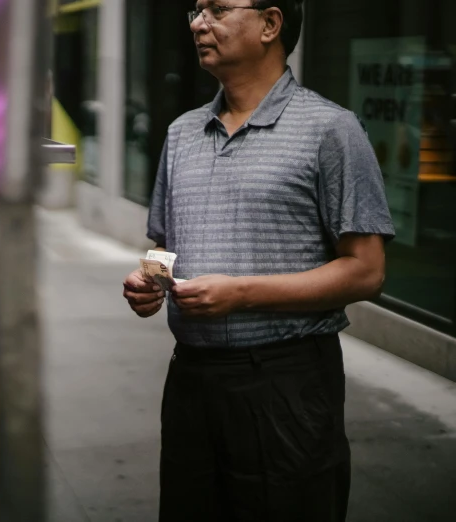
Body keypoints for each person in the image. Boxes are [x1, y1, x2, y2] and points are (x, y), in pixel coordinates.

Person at [121, 1, 395, 520]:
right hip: (191, 384)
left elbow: (367, 270)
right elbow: (162, 243)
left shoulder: (330, 129)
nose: (199, 23)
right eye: (195, 10)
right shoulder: (182, 132)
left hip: (286, 386)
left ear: (270, 24)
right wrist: (148, 281)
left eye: (218, 9)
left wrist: (242, 293)